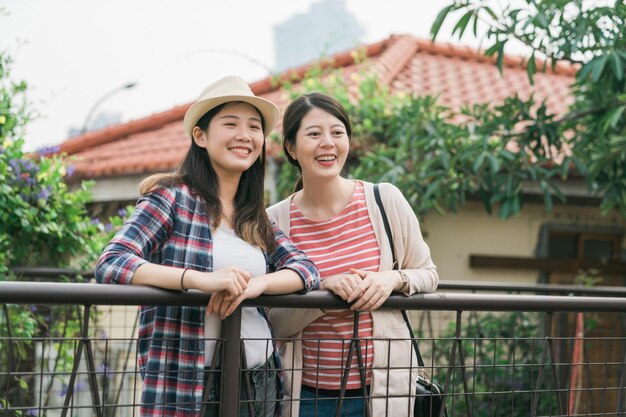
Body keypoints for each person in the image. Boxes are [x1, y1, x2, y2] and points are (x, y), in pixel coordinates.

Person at [95, 76, 320, 417]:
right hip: (190, 381)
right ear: (200, 135)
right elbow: (112, 262)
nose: (244, 135)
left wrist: (256, 285)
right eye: (230, 124)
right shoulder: (172, 198)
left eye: (254, 127)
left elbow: (306, 270)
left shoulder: (254, 216)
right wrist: (198, 280)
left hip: (259, 380)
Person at [266, 92, 439, 417]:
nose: (327, 143)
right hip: (303, 396)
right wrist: (321, 290)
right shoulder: (274, 220)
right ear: (291, 147)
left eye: (337, 132)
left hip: (383, 393)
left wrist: (390, 279)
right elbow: (272, 320)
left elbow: (428, 274)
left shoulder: (384, 200)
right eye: (314, 134)